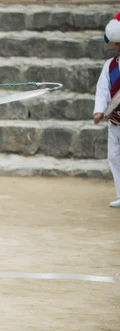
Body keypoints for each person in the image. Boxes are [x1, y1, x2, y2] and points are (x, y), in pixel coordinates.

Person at [93, 11, 120, 208]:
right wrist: (99, 110)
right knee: (114, 156)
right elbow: (102, 90)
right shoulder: (109, 66)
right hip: (115, 118)